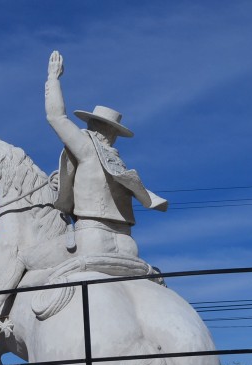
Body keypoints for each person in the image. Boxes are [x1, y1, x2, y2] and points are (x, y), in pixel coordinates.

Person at [44, 50, 167, 260]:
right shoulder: (117, 164)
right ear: (113, 133)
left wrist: (53, 78)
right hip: (127, 240)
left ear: (93, 126)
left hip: (92, 233)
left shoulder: (87, 147)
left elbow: (57, 117)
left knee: (27, 259)